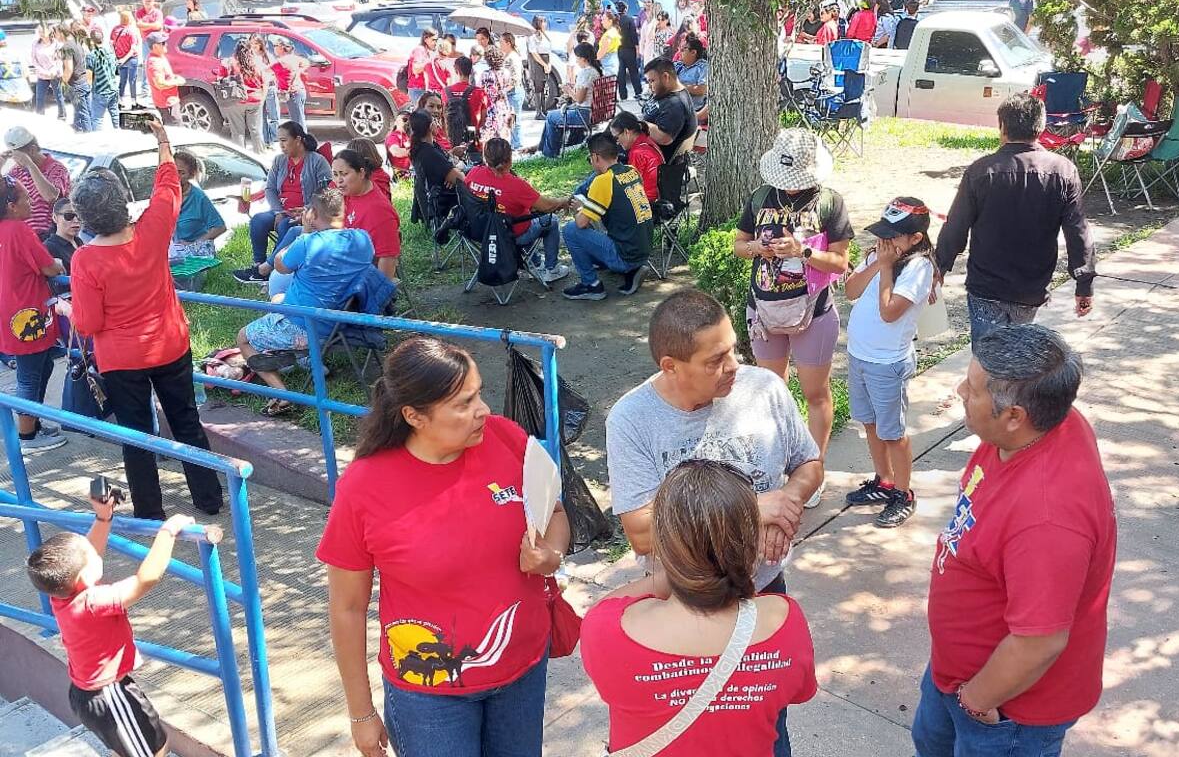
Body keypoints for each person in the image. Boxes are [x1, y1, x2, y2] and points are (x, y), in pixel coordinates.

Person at [318, 336, 569, 757]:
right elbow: (347, 608)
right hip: (429, 693)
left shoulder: (507, 439)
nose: (483, 410)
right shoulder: (364, 487)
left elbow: (555, 513)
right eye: (464, 403)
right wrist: (361, 713)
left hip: (522, 670)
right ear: (414, 416)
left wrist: (551, 556)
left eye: (480, 394)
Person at [915, 324, 1116, 757]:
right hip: (957, 672)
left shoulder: (1046, 521)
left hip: (1005, 711)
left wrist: (975, 701)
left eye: (972, 389)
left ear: (1013, 417)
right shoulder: (1042, 425)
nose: (960, 391)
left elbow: (1038, 642)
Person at [581, 460, 818, 756]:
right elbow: (800, 691)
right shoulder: (783, 621)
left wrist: (679, 567)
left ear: (663, 548)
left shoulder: (606, 630)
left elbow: (603, 609)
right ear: (751, 549)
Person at [69, 120, 225, 520]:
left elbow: (87, 323)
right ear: (122, 202)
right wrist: (162, 141)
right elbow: (168, 185)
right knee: (187, 422)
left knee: (136, 437)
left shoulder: (85, 260)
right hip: (169, 343)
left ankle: (151, 514)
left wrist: (68, 310)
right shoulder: (153, 229)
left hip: (122, 360)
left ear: (86, 217)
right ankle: (209, 499)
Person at [733, 129, 852, 501]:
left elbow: (840, 262)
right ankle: (779, 464)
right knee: (773, 394)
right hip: (765, 308)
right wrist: (758, 247)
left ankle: (813, 470)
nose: (791, 187)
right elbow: (739, 245)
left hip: (812, 310)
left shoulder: (829, 202)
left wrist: (803, 252)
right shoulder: (760, 197)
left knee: (815, 393)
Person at [25, 501, 196, 757]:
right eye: (93, 556)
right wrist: (167, 531)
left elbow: (85, 556)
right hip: (109, 696)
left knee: (148, 745)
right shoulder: (93, 602)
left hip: (93, 693)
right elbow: (145, 579)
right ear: (84, 577)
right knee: (153, 751)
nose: (98, 552)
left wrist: (103, 518)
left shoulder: (61, 595)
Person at [934, 93, 1095, 347]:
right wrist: (1084, 283)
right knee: (1017, 356)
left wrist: (939, 268)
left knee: (988, 356)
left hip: (986, 286)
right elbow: (1078, 231)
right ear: (1041, 126)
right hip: (1031, 286)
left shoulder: (981, 170)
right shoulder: (1063, 171)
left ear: (1002, 126)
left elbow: (956, 225)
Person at [842, 198, 936, 528]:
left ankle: (903, 492)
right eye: (882, 234)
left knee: (892, 433)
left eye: (893, 236)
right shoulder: (878, 255)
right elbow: (851, 290)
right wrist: (877, 263)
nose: (884, 241)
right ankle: (884, 480)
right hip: (859, 355)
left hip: (887, 363)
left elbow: (889, 312)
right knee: (869, 423)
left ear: (915, 238)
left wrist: (885, 268)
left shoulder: (918, 268)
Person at [239, 188, 375, 413]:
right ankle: (307, 360)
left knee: (243, 337)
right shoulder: (363, 239)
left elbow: (280, 266)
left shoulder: (307, 243)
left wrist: (304, 231)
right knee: (279, 299)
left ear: (312, 214)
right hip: (341, 321)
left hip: (306, 325)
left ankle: (282, 395)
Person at [0, 175, 67, 453]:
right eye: (26, 198)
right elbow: (49, 267)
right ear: (11, 205)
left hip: (11, 313)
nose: (31, 203)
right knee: (29, 375)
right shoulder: (18, 230)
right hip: (27, 313)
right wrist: (59, 264)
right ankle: (27, 436)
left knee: (43, 366)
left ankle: (33, 424)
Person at [235, 121, 332, 285]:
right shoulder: (279, 161)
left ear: (298, 140)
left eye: (284, 140)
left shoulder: (317, 161)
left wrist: (307, 209)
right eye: (278, 141)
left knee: (286, 225)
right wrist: (278, 211)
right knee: (258, 220)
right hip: (280, 209)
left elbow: (326, 192)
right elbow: (270, 189)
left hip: (305, 212)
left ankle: (272, 269)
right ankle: (259, 265)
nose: (280, 145)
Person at [561, 133, 654, 300]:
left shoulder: (603, 181)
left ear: (595, 157)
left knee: (570, 230)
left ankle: (591, 285)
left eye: (590, 158)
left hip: (625, 255)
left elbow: (581, 223)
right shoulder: (632, 171)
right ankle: (632, 269)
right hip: (643, 250)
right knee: (594, 228)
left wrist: (580, 207)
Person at [465, 138, 571, 284]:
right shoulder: (515, 185)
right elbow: (546, 206)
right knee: (550, 221)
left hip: (478, 232)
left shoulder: (473, 173)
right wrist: (563, 201)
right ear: (510, 159)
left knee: (521, 219)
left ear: (485, 158)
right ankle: (552, 269)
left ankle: (535, 263)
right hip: (510, 236)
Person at [333, 149, 401, 281]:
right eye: (335, 174)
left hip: (357, 277)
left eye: (344, 174)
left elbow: (388, 259)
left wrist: (377, 290)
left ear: (361, 173)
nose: (338, 180)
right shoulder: (351, 191)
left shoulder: (378, 211)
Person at [533, 43, 602, 159]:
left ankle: (550, 154)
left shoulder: (586, 73)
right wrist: (573, 88)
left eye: (577, 58)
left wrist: (568, 90)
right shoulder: (596, 71)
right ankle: (543, 149)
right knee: (553, 116)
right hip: (591, 111)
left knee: (551, 117)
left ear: (583, 59)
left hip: (583, 113)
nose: (576, 61)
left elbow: (579, 99)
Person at [3, 126, 72, 237]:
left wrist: (30, 165)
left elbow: (51, 197)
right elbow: (3, 197)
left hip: (49, 235)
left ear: (32, 150)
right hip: (24, 234)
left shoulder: (56, 169)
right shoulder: (17, 170)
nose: (16, 160)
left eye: (18, 156)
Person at [408, 109, 465, 224]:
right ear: (431, 126)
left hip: (437, 196)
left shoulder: (422, 147)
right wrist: (454, 172)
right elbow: (461, 179)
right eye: (434, 120)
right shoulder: (429, 153)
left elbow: (444, 166)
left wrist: (451, 170)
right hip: (443, 204)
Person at [169, 150, 227, 259]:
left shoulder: (199, 198)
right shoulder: (163, 194)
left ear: (191, 175)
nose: (176, 176)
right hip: (172, 255)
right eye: (173, 171)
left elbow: (220, 227)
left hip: (195, 257)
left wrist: (194, 244)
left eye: (182, 173)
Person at [641, 57, 698, 164]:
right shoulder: (664, 91)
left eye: (652, 81)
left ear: (666, 77)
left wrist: (640, 124)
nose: (649, 86)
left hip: (652, 159)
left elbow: (664, 138)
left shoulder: (675, 104)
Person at [220, 39, 267, 153]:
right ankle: (260, 155)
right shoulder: (258, 62)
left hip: (235, 99)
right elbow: (265, 82)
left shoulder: (229, 62)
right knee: (256, 130)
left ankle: (241, 157)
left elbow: (220, 79)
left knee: (237, 132)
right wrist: (262, 99)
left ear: (235, 49)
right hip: (255, 99)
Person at [609, 111, 664, 203]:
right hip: (657, 196)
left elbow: (630, 186)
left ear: (626, 132)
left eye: (616, 138)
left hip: (645, 202)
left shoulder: (637, 153)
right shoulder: (647, 140)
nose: (617, 142)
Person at [442, 55, 489, 156]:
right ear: (471, 70)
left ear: (456, 71)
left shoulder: (445, 92)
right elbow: (483, 120)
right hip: (472, 140)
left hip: (451, 140)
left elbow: (443, 117)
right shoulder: (480, 92)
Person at [477, 45, 514, 146]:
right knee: (503, 135)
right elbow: (510, 85)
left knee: (489, 137)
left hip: (489, 108)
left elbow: (479, 90)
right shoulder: (506, 73)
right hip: (503, 107)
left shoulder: (485, 75)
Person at [145, 31, 184, 124]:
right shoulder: (154, 63)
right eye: (163, 43)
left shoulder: (160, 56)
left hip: (171, 102)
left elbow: (166, 75)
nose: (166, 44)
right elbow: (160, 84)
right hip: (166, 104)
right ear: (155, 46)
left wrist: (174, 77)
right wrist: (178, 82)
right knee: (175, 129)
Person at [59, 24, 92, 132]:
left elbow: (69, 68)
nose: (54, 36)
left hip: (76, 84)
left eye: (55, 33)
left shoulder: (66, 47)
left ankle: (89, 135)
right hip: (83, 81)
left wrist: (63, 82)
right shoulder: (77, 42)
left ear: (61, 33)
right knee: (87, 111)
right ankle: (78, 128)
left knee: (83, 113)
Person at [271, 38, 310, 129]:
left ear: (281, 48)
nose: (274, 48)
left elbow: (265, 70)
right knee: (299, 119)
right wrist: (298, 71)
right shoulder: (294, 58)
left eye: (275, 45)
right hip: (299, 91)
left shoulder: (281, 61)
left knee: (298, 122)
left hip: (294, 92)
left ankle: (302, 137)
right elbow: (307, 62)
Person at [248, 34, 280, 147]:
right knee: (260, 117)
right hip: (258, 88)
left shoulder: (267, 56)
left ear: (261, 44)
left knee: (273, 116)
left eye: (256, 43)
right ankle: (265, 141)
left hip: (269, 87)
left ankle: (275, 140)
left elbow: (275, 70)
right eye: (252, 43)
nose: (254, 46)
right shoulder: (249, 56)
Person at [86, 30, 119, 130]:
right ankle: (118, 132)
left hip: (100, 90)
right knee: (115, 114)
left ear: (91, 41)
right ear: (102, 39)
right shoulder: (110, 53)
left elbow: (89, 77)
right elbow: (115, 69)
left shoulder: (91, 56)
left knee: (97, 119)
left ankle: (97, 137)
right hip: (113, 88)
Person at [32, 25, 67, 119]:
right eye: (39, 32)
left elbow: (59, 60)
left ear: (49, 32)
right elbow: (34, 60)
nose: (41, 34)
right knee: (39, 97)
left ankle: (62, 115)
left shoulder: (56, 44)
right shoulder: (35, 44)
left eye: (43, 32)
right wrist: (43, 71)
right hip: (42, 75)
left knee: (58, 96)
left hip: (54, 74)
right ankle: (40, 116)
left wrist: (54, 71)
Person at [498, 33, 526, 148]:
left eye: (501, 42)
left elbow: (515, 78)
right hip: (510, 92)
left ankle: (517, 145)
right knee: (510, 119)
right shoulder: (507, 56)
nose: (500, 45)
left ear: (508, 43)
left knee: (515, 119)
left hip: (514, 92)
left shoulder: (513, 57)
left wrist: (504, 90)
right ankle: (514, 144)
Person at [674, 35, 708, 124]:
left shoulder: (703, 67)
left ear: (693, 52)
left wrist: (678, 86)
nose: (679, 52)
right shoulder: (678, 66)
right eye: (680, 49)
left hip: (692, 110)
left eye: (683, 49)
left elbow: (701, 90)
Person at [44, 197, 84, 272]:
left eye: (79, 216)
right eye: (69, 216)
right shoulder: (49, 247)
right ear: (55, 218)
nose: (76, 220)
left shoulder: (79, 241)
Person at [135, 0, 163, 97]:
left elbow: (158, 26)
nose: (147, 2)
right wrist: (152, 25)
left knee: (158, 64)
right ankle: (145, 89)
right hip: (146, 42)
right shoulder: (139, 13)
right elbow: (139, 25)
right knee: (146, 65)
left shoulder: (158, 12)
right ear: (142, 1)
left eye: (149, 0)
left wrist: (145, 25)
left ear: (153, 1)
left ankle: (159, 87)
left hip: (157, 42)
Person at [110, 11, 140, 106]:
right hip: (131, 58)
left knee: (122, 80)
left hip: (120, 58)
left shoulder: (115, 29)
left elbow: (111, 43)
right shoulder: (131, 31)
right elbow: (133, 49)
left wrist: (116, 56)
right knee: (132, 80)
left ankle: (120, 101)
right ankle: (134, 102)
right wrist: (125, 58)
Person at [526, 17, 553, 120]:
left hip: (545, 60)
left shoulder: (545, 35)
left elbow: (549, 51)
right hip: (537, 63)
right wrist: (544, 64)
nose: (545, 24)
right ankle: (538, 112)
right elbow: (534, 53)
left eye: (545, 22)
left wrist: (549, 64)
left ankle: (544, 109)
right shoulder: (532, 36)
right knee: (538, 87)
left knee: (544, 86)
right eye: (542, 22)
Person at [614, 1, 642, 101]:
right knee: (634, 72)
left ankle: (623, 95)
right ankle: (638, 92)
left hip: (618, 49)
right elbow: (634, 35)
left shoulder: (614, 20)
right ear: (625, 9)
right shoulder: (629, 20)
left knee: (621, 74)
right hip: (629, 49)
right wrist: (637, 48)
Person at [405, 29, 436, 96]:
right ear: (426, 39)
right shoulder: (419, 50)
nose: (435, 43)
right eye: (433, 40)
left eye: (436, 40)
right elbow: (416, 69)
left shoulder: (428, 52)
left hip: (425, 88)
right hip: (417, 89)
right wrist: (431, 62)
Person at [385, 111, 413, 177]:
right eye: (404, 119)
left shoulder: (407, 136)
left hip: (409, 172)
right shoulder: (393, 136)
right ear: (396, 122)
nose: (407, 122)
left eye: (410, 121)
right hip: (400, 174)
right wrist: (415, 151)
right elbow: (395, 151)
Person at [596, 10, 621, 77]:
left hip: (607, 66)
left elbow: (601, 53)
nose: (602, 22)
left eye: (603, 20)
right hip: (613, 63)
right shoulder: (614, 31)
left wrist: (593, 60)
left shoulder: (609, 34)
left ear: (610, 21)